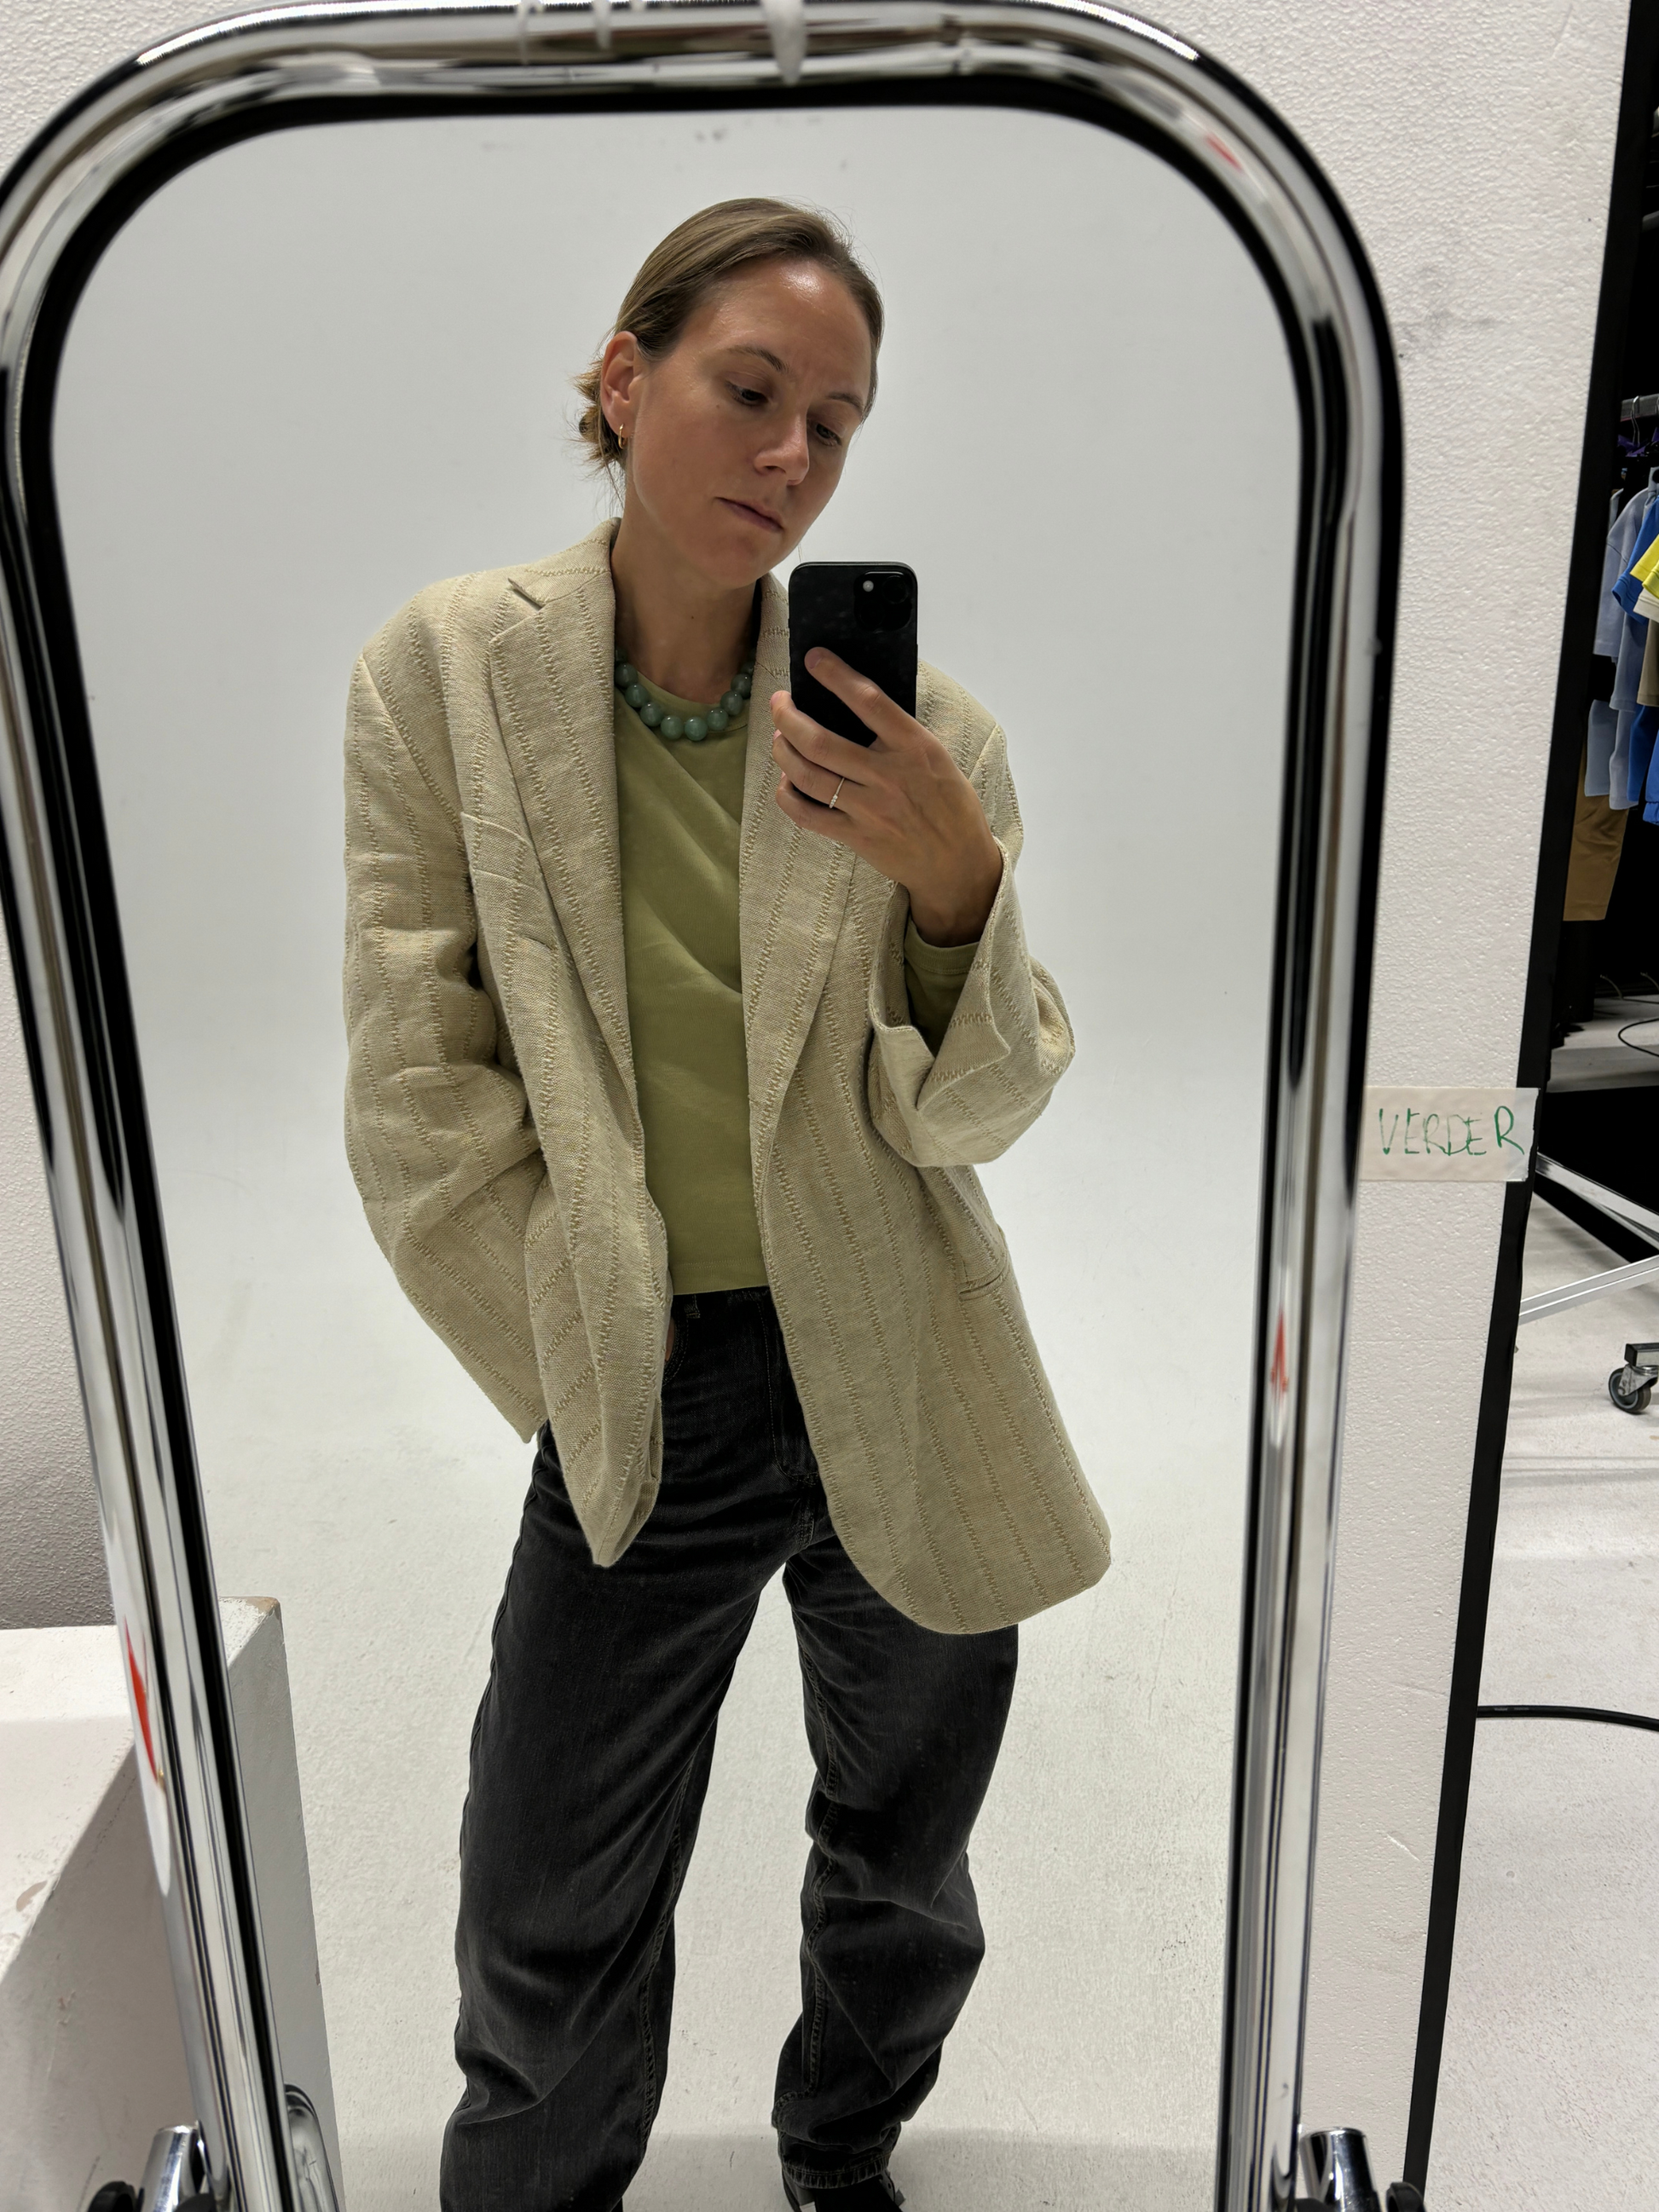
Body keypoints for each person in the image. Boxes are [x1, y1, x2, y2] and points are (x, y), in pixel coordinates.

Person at [343, 197, 1110, 2212]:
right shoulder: (445, 673)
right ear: (624, 376)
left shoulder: (927, 737)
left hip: (903, 1356)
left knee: (902, 1850)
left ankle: (837, 2154)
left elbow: (989, 1106)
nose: (791, 456)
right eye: (749, 392)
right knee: (546, 1899)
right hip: (643, 1386)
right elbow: (419, 1098)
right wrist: (581, 1356)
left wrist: (954, 889)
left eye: (835, 425)